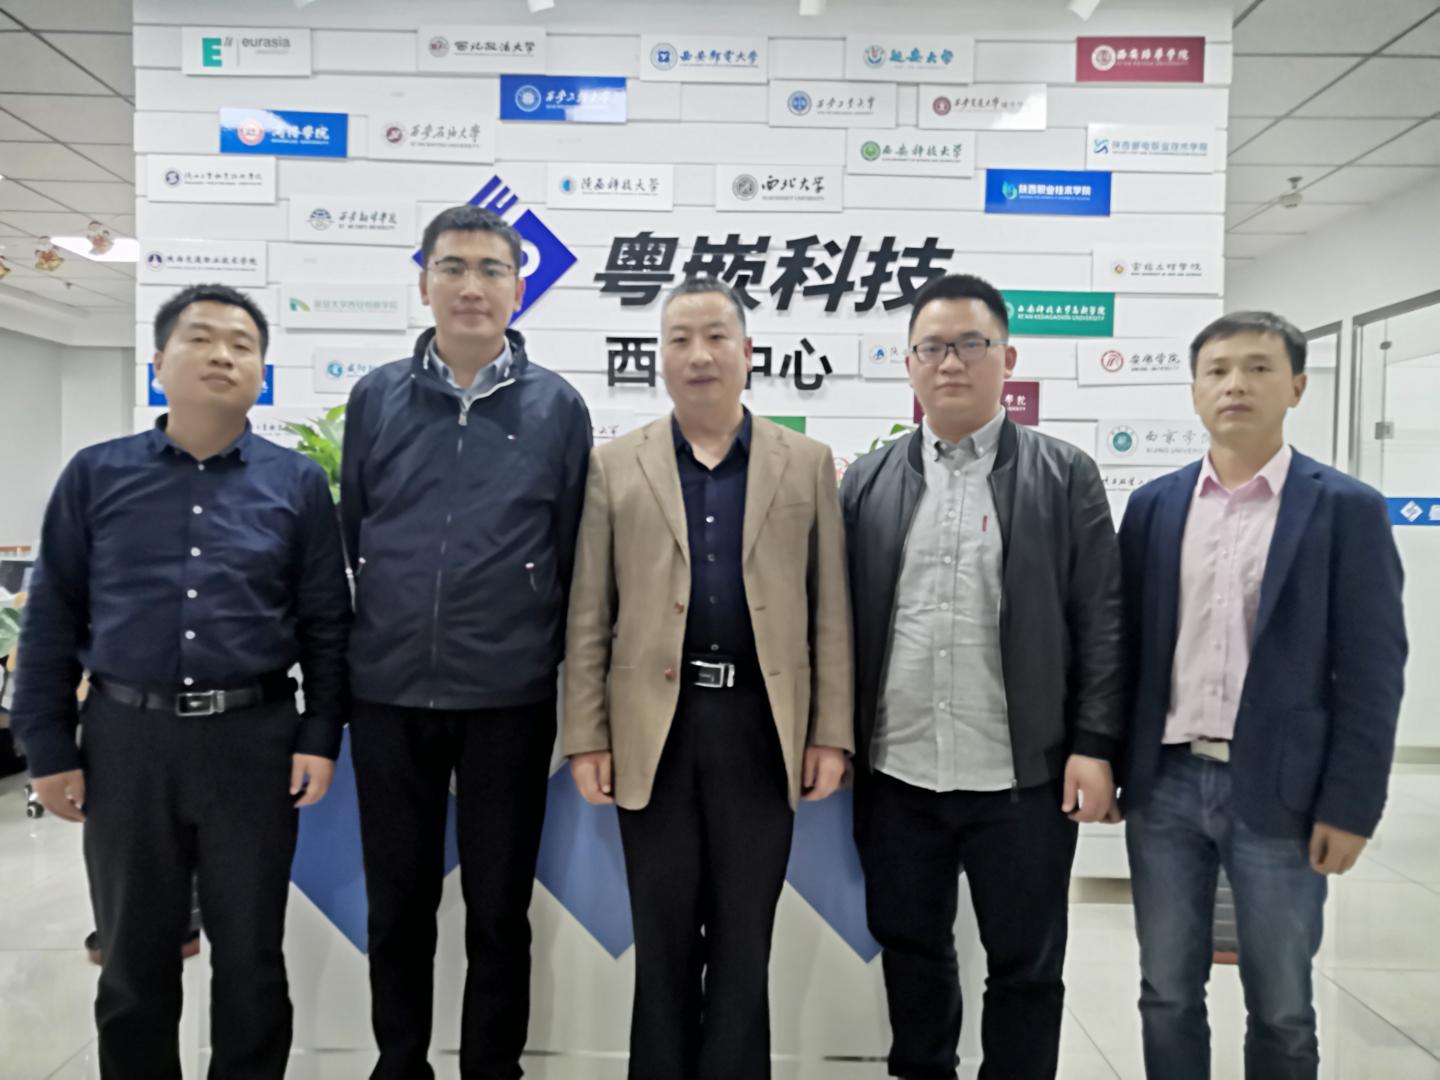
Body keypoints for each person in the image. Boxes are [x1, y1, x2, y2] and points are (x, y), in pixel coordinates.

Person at [11, 283, 351, 1080]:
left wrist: (320, 735)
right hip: (128, 739)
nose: (222, 355)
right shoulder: (96, 475)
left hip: (253, 740)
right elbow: (52, 617)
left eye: (242, 345)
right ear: (159, 361)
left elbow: (326, 624)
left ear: (261, 372)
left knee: (251, 954)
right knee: (133, 957)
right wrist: (48, 747)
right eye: (201, 339)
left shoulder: (296, 483)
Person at [563, 277, 853, 1079]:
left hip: (760, 729)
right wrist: (586, 734)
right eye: (680, 339)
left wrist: (830, 732)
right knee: (660, 941)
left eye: (716, 337)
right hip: (654, 733)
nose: (699, 355)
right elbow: (589, 611)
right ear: (658, 358)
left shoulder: (804, 464)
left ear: (748, 352)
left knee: (743, 939)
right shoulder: (615, 466)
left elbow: (831, 611)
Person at [842, 273, 1125, 1080]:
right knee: (911, 952)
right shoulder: (868, 480)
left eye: (971, 344)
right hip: (899, 773)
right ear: (909, 364)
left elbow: (1102, 619)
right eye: (932, 348)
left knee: (1026, 968)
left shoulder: (1064, 475)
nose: (951, 363)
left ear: (1008, 358)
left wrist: (1094, 744)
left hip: (1022, 777)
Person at [1117, 311, 1408, 1080]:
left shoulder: (1344, 508)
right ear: (1194, 391)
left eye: (1257, 367)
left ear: (1297, 387)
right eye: (1216, 371)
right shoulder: (1154, 506)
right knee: (1165, 993)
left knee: (1281, 1005)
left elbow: (1373, 670)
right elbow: (1126, 650)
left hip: (1285, 787)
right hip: (1165, 784)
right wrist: (1110, 763)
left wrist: (1352, 804)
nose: (1235, 385)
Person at [341, 205, 592, 1080]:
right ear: (424, 283)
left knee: (498, 911)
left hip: (508, 699)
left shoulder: (557, 407)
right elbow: (354, 531)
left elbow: (571, 552)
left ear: (519, 287)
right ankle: (399, 1063)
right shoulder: (376, 398)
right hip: (387, 694)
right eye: (453, 267)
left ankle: (494, 1068)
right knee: (396, 908)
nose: (472, 285)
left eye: (491, 268)